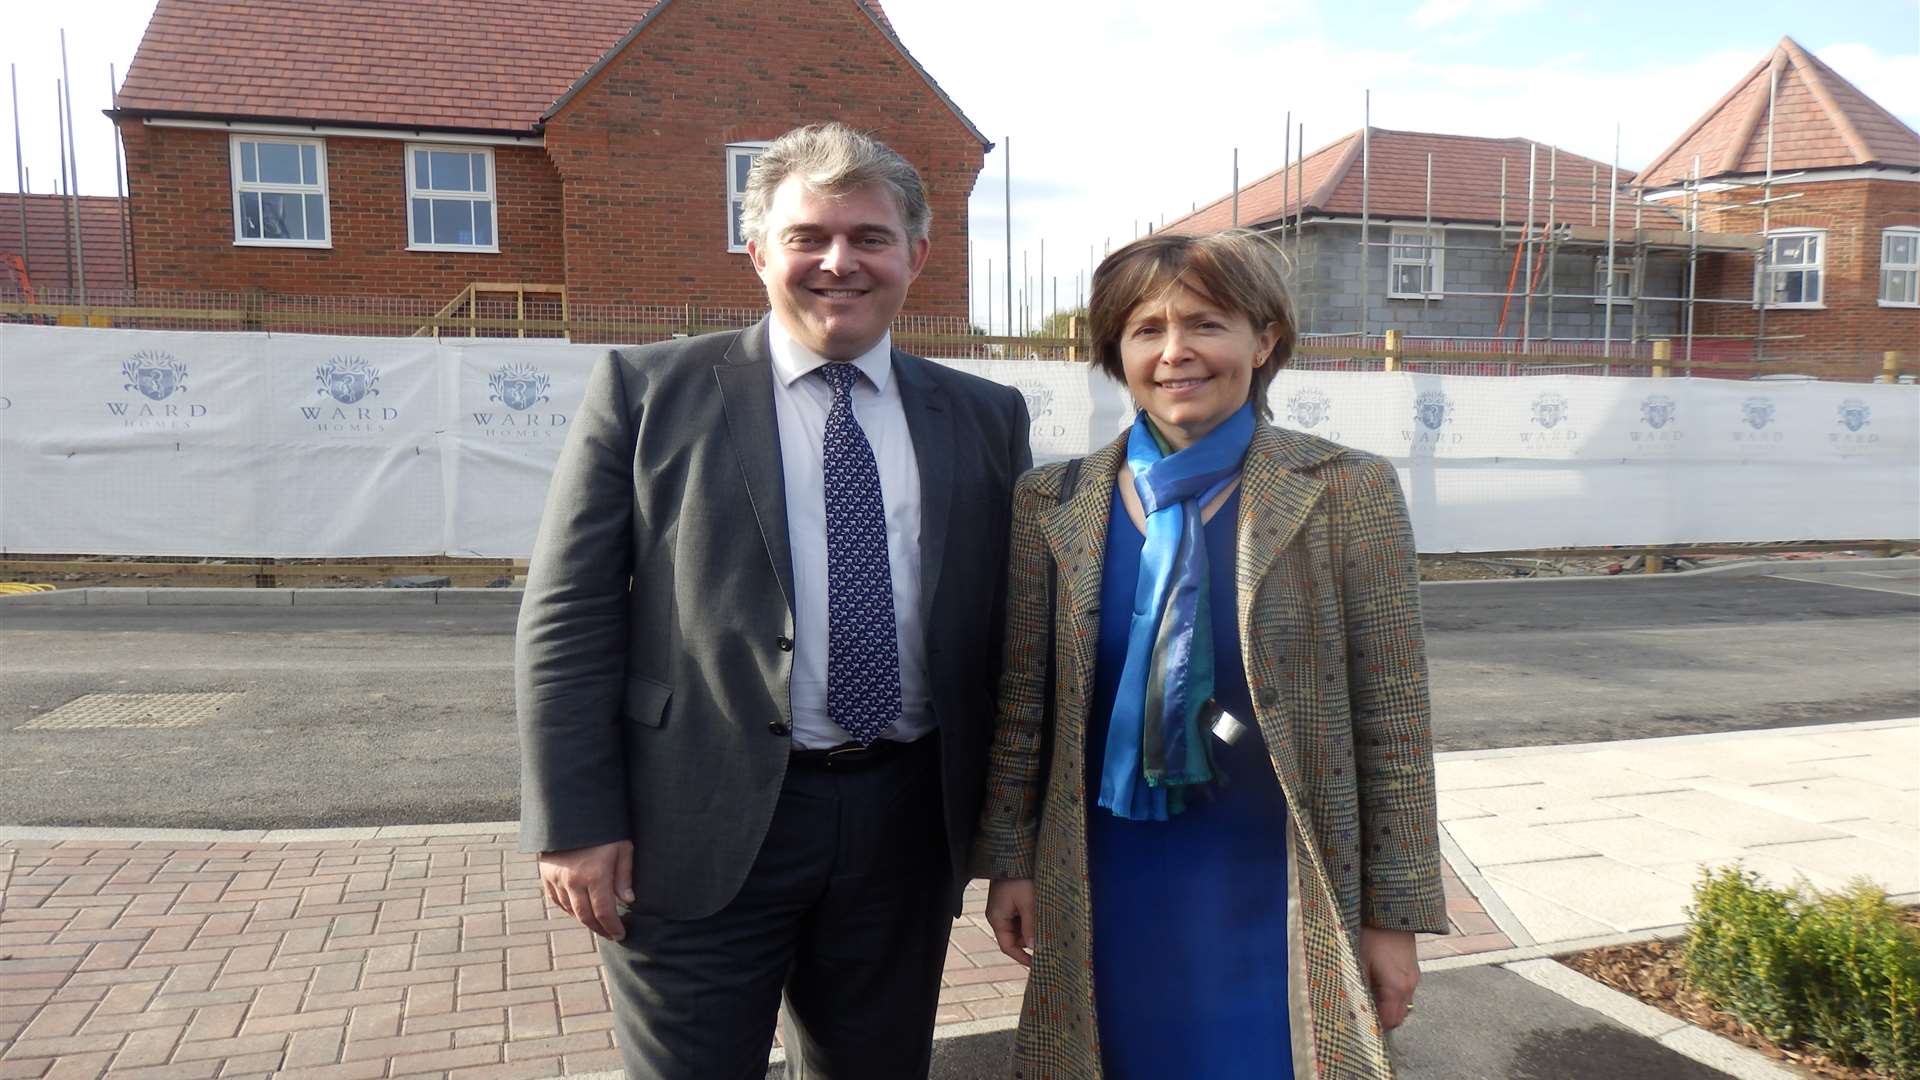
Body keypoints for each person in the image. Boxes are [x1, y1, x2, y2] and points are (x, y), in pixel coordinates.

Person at [516, 122, 1032, 1080]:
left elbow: (1011, 645)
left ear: (917, 253)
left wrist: (1015, 844)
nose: (840, 262)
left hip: (904, 828)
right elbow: (567, 619)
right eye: (809, 237)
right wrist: (575, 821)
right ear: (758, 252)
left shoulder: (984, 415)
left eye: (870, 237)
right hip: (691, 831)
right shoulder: (647, 393)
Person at [972, 229, 1444, 1079]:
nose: (1175, 352)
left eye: (1206, 324)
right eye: (1146, 329)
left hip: (1273, 876)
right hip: (1105, 874)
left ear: (1264, 340)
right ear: (1116, 350)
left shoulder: (1346, 491)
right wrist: (1009, 860)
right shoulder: (1054, 501)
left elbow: (1396, 721)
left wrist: (1392, 917)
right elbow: (1023, 704)